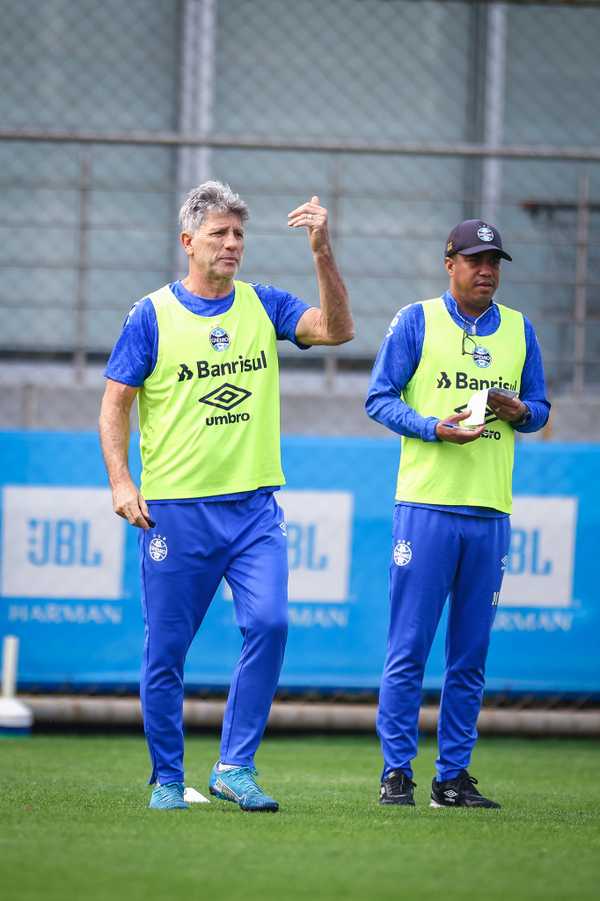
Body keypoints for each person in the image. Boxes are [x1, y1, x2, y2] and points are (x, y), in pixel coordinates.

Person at [99, 181, 353, 811]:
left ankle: (234, 766)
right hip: (175, 512)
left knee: (270, 623)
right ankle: (166, 778)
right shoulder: (151, 315)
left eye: (239, 234)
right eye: (219, 233)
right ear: (188, 242)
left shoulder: (263, 304)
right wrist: (122, 481)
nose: (232, 243)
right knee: (167, 651)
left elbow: (338, 330)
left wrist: (322, 250)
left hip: (253, 511)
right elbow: (115, 403)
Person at [366, 219, 550, 809]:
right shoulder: (416, 320)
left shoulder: (520, 329)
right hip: (427, 507)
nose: (486, 270)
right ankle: (397, 772)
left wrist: (521, 411)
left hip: (490, 511)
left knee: (470, 657)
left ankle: (452, 778)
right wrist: (433, 428)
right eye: (475, 260)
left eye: (494, 261)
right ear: (450, 264)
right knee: (409, 649)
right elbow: (378, 398)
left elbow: (541, 407)